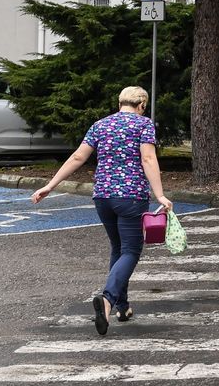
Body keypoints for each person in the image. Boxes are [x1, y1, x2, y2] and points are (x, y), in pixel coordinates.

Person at [31, 86, 173, 336]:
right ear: (141, 105)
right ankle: (107, 299)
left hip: (102, 197)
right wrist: (159, 194)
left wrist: (50, 186)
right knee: (131, 250)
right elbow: (148, 159)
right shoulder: (143, 124)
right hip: (130, 196)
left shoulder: (100, 125)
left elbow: (77, 157)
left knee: (118, 248)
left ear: (120, 103)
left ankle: (122, 306)